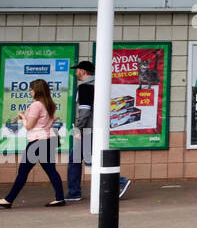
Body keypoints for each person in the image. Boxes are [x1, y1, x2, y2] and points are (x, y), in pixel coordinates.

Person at [66, 61, 129, 201]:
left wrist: (78, 129)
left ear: (82, 71)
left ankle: (119, 182)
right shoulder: (99, 85)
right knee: (76, 159)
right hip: (95, 127)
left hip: (86, 129)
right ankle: (74, 192)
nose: (76, 73)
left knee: (90, 161)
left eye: (77, 70)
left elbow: (84, 110)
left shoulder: (85, 87)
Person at [0, 79, 66, 208]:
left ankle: (8, 200)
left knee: (23, 172)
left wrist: (23, 117)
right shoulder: (49, 104)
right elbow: (47, 122)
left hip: (37, 141)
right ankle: (60, 198)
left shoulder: (36, 105)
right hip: (48, 140)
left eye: (31, 89)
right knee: (51, 171)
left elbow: (29, 126)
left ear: (37, 90)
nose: (30, 91)